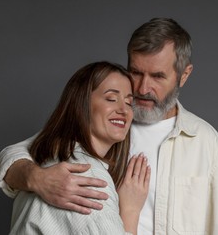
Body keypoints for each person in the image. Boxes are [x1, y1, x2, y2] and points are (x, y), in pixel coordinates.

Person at [0, 18, 218, 234]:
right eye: (136, 72)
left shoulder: (206, 141)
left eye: (157, 76)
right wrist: (37, 178)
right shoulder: (105, 126)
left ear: (184, 75)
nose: (143, 88)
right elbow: (14, 156)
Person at [8, 61, 150, 235]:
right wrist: (130, 211)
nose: (124, 110)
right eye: (111, 99)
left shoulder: (46, 157)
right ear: (81, 104)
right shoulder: (88, 179)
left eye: (129, 103)